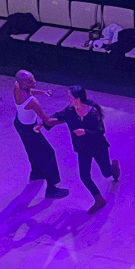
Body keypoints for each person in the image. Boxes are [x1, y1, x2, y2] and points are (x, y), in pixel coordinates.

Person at [48, 86, 119, 215]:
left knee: (107, 173)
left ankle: (114, 169)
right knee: (84, 176)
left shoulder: (93, 111)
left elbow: (100, 131)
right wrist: (44, 122)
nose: (69, 99)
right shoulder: (70, 111)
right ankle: (99, 199)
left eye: (71, 97)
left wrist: (85, 131)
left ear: (78, 98)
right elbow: (58, 116)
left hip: (98, 147)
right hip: (83, 149)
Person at [12, 70, 67, 198]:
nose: (34, 82)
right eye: (31, 81)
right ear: (24, 84)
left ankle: (36, 173)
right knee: (48, 153)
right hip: (30, 128)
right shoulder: (32, 102)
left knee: (31, 150)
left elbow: (29, 91)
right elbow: (47, 120)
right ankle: (52, 188)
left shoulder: (17, 86)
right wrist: (67, 118)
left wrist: (42, 92)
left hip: (19, 123)